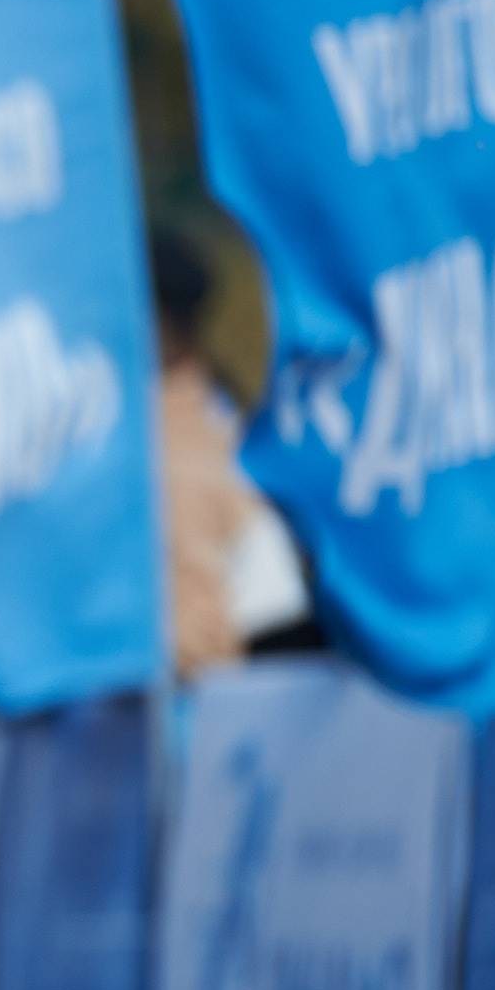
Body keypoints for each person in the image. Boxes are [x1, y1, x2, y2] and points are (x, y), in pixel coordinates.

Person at [150, 229, 317, 670]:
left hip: (261, 683)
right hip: (290, 666)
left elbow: (199, 644)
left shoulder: (175, 443)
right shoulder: (221, 408)